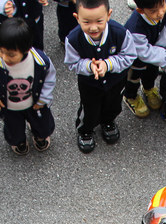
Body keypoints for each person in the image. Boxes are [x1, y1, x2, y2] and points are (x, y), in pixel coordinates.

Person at [64, 0, 137, 153]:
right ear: (77, 18)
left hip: (116, 81)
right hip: (89, 84)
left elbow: (129, 56)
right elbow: (72, 63)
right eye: (86, 22)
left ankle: (108, 122)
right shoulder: (73, 39)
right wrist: (89, 66)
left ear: (108, 15)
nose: (93, 27)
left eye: (99, 21)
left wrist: (108, 64)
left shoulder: (120, 33)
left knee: (114, 104)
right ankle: (85, 130)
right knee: (89, 108)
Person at [0, 18, 57, 154]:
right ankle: (18, 141)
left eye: (11, 55)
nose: (5, 57)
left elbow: (49, 79)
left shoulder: (40, 61)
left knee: (42, 125)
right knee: (13, 129)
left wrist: (44, 99)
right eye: (1, 51)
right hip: (9, 108)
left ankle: (40, 136)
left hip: (36, 104)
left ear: (26, 49)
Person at [122, 0, 166, 119]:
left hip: (155, 53)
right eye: (153, 11)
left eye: (162, 6)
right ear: (140, 10)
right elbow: (145, 53)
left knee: (152, 73)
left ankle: (148, 88)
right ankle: (130, 96)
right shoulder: (136, 28)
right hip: (136, 60)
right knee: (133, 78)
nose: (160, 13)